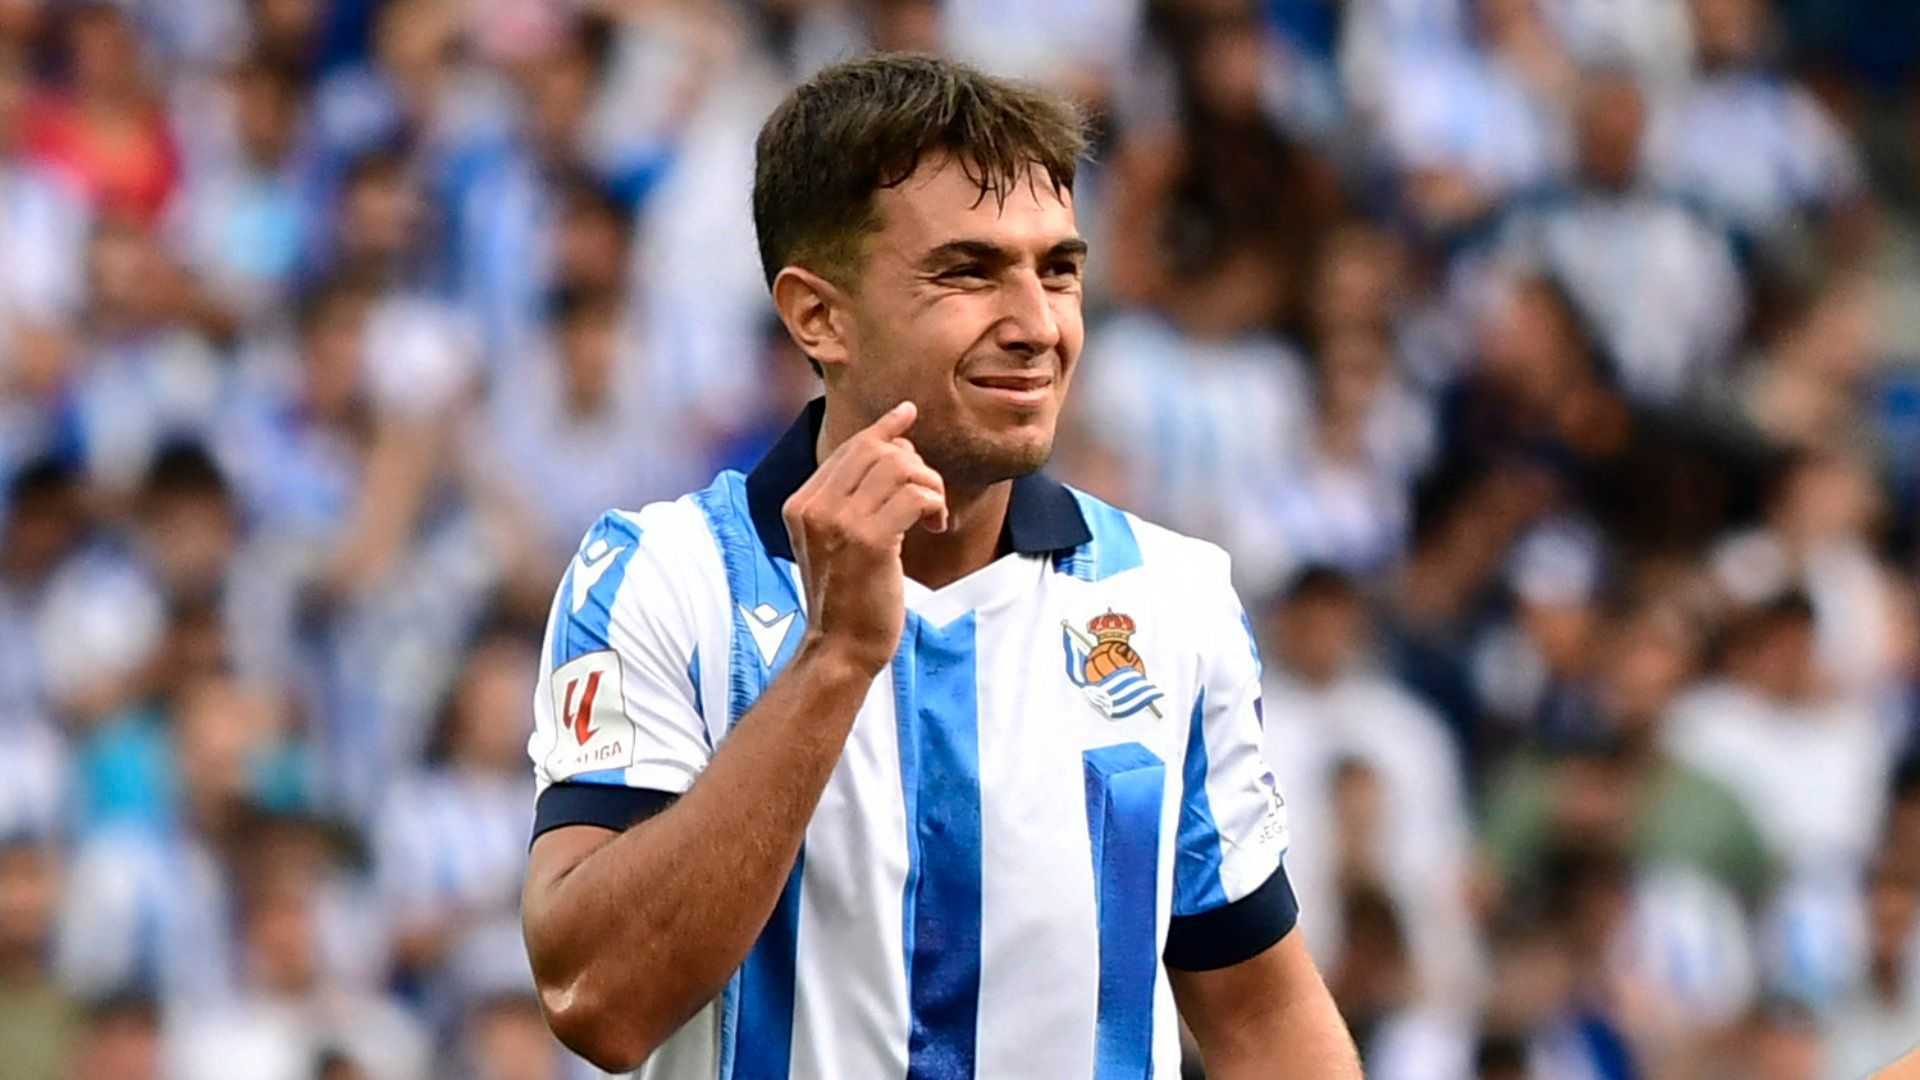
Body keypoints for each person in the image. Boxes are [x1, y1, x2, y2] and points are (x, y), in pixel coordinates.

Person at [519, 53, 1358, 1077]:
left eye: (1059, 270)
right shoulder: (656, 578)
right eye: (969, 272)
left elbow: (1264, 1018)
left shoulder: (1172, 601)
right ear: (817, 315)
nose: (1037, 326)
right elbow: (598, 1000)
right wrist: (834, 659)